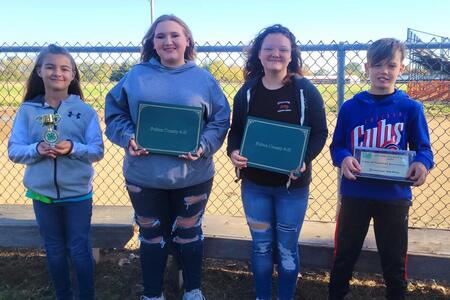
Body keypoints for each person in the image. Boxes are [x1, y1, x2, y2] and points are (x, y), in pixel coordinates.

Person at [104, 14, 230, 300]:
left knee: (189, 233)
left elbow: (220, 120)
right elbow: (114, 115)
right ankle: (152, 293)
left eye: (175, 35)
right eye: (160, 36)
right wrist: (128, 138)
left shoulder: (204, 80)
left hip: (192, 176)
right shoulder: (135, 76)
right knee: (151, 235)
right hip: (144, 176)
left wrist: (203, 145)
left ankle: (193, 290)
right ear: (153, 43)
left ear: (188, 41)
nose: (168, 41)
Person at [227, 24, 328, 300]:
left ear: (291, 55)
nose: (276, 54)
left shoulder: (305, 91)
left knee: (286, 248)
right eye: (269, 48)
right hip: (255, 186)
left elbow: (320, 133)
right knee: (260, 246)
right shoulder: (246, 93)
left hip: (291, 188)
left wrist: (304, 160)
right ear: (258, 54)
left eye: (283, 49)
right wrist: (233, 152)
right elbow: (236, 132)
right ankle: (262, 296)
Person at [328, 38, 434, 300]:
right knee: (345, 254)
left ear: (401, 68)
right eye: (377, 65)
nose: (384, 71)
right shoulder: (351, 107)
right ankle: (337, 294)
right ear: (366, 67)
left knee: (394, 259)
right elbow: (337, 146)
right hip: (356, 194)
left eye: (391, 65)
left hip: (394, 197)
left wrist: (422, 163)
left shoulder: (411, 108)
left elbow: (424, 149)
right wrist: (344, 159)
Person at [8, 44, 104, 300]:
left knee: (79, 249)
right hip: (43, 196)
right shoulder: (27, 110)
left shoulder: (85, 111)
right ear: (39, 71)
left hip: (77, 195)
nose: (57, 73)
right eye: (50, 67)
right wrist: (36, 149)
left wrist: (73, 147)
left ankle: (87, 296)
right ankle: (63, 295)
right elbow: (14, 151)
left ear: (73, 75)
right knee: (54, 249)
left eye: (64, 68)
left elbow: (97, 150)